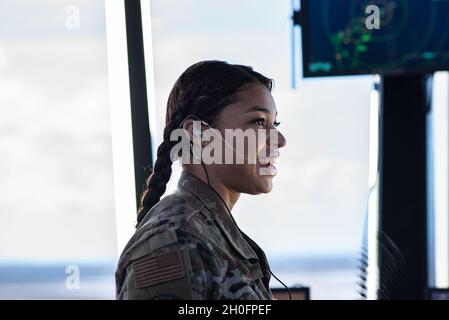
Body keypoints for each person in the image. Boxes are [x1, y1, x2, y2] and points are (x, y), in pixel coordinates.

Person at [115, 60, 286, 299]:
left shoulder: (206, 234)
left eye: (274, 123)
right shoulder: (173, 242)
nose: (279, 140)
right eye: (258, 122)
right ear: (197, 133)